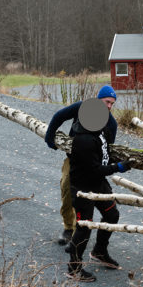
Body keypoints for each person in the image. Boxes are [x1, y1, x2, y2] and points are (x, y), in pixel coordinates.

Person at [65, 98, 130, 282]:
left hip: (98, 184)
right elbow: (95, 169)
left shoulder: (102, 129)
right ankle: (74, 268)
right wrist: (118, 167)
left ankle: (99, 251)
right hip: (82, 188)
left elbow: (105, 154)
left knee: (112, 216)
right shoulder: (83, 139)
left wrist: (115, 161)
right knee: (84, 227)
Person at [44, 85, 118, 245]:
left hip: (93, 167)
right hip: (73, 161)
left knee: (89, 201)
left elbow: (108, 151)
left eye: (112, 103)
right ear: (98, 99)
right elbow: (59, 116)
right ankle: (69, 228)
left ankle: (82, 233)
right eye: (107, 102)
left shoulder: (111, 124)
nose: (109, 106)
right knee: (66, 190)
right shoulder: (81, 107)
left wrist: (103, 169)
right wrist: (49, 137)